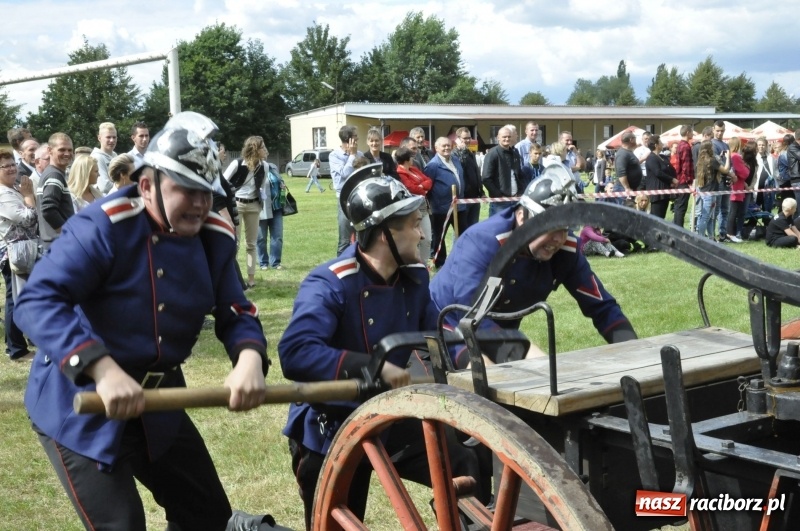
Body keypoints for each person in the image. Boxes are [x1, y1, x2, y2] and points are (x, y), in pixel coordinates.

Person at [13, 112, 285, 531]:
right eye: (186, 189)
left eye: (206, 193)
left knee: (207, 515)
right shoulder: (104, 226)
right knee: (121, 525)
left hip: (159, 403)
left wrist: (249, 358)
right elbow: (36, 300)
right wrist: (100, 368)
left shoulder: (213, 235)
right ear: (146, 185)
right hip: (81, 403)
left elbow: (235, 310)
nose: (199, 203)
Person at [279, 163, 484, 529]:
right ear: (384, 233)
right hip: (332, 427)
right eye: (413, 225)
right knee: (338, 521)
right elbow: (296, 353)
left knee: (465, 462)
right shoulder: (330, 283)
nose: (421, 233)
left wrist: (469, 360)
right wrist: (372, 367)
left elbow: (440, 328)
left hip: (390, 417)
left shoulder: (415, 277)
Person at [430, 164, 637, 366]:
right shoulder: (482, 243)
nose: (558, 238)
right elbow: (471, 316)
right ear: (522, 217)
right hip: (446, 325)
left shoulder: (566, 251)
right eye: (550, 227)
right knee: (486, 372)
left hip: (498, 331)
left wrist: (634, 351)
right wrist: (528, 355)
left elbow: (602, 307)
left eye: (564, 228)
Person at [0, 149, 37, 361]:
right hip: (13, 254)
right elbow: (28, 219)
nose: (12, 168)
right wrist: (29, 197)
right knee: (15, 300)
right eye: (6, 166)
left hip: (22, 251)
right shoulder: (3, 194)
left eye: (12, 164)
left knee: (14, 298)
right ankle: (17, 350)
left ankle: (14, 346)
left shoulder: (12, 189)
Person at [224, 136, 268, 289]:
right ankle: (234, 277)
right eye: (262, 147)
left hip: (254, 205)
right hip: (237, 204)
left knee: (251, 244)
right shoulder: (237, 164)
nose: (266, 150)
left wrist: (261, 202)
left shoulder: (264, 166)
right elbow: (223, 183)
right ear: (255, 149)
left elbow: (262, 187)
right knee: (234, 243)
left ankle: (251, 278)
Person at [424, 136, 467, 269]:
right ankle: (440, 263)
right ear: (436, 148)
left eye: (449, 145)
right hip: (441, 208)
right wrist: (433, 203)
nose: (447, 148)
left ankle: (461, 259)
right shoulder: (433, 165)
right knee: (439, 237)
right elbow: (427, 187)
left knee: (462, 234)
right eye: (443, 146)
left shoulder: (455, 160)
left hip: (459, 206)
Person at [395, 145, 433, 265]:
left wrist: (422, 186)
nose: (413, 159)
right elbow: (411, 189)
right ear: (407, 159)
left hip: (423, 208)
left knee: (427, 239)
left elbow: (429, 181)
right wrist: (422, 187)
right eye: (411, 157)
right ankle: (413, 264)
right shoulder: (400, 173)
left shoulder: (414, 169)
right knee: (414, 239)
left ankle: (424, 264)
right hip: (412, 211)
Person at [330, 125, 363, 256]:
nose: (358, 138)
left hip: (359, 198)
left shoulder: (360, 154)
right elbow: (345, 173)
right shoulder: (334, 155)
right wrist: (352, 155)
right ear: (349, 139)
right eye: (355, 136)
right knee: (344, 238)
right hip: (344, 199)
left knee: (361, 235)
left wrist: (356, 154)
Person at [40, 132, 75, 249]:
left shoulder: (51, 173)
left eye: (70, 150)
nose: (67, 154)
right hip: (58, 245)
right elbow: (48, 209)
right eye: (62, 150)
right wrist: (67, 233)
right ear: (50, 151)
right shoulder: (54, 175)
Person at [482, 126, 524, 216]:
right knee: (499, 228)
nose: (507, 139)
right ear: (498, 138)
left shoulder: (515, 153)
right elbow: (486, 178)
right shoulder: (492, 154)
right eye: (504, 137)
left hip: (515, 199)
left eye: (509, 136)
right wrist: (499, 195)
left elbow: (519, 175)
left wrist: (520, 191)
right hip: (500, 202)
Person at [694, 140, 728, 240]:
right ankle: (700, 238)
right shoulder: (712, 161)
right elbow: (725, 170)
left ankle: (711, 237)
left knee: (709, 217)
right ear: (710, 148)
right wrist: (727, 157)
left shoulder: (700, 161)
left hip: (703, 190)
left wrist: (720, 157)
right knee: (705, 217)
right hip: (710, 192)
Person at [257, 156, 285, 270]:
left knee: (277, 236)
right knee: (261, 237)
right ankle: (263, 262)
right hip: (261, 208)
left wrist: (282, 184)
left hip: (276, 207)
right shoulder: (254, 169)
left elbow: (280, 179)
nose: (264, 155)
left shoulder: (273, 167)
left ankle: (275, 262)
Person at [453, 127, 484, 229]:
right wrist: (462, 151)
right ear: (458, 139)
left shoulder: (470, 153)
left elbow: (476, 173)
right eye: (464, 138)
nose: (467, 140)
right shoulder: (454, 154)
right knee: (461, 229)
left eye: (469, 138)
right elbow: (461, 168)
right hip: (463, 197)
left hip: (475, 197)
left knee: (473, 228)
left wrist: (481, 191)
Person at [643, 134, 678, 219]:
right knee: (656, 218)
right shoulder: (651, 158)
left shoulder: (663, 157)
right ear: (656, 145)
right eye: (660, 142)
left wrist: (673, 179)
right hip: (656, 193)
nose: (662, 144)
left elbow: (671, 169)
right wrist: (672, 179)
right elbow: (657, 172)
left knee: (662, 218)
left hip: (665, 192)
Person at [672, 125, 695, 228]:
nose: (692, 134)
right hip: (683, 181)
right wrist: (689, 181)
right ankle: (679, 229)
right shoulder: (686, 146)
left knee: (678, 207)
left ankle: (676, 227)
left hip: (679, 179)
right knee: (681, 207)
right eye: (691, 132)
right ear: (687, 133)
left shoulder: (680, 145)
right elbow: (686, 165)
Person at [614, 130, 643, 204]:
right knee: (622, 212)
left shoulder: (628, 152)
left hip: (630, 188)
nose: (636, 141)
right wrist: (627, 188)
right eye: (635, 138)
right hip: (623, 189)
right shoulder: (622, 154)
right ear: (631, 140)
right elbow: (621, 173)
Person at [91, 122, 118, 194]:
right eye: (108, 137)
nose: (112, 140)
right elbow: (104, 187)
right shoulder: (97, 157)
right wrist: (123, 187)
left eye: (114, 137)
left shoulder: (115, 156)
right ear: (99, 138)